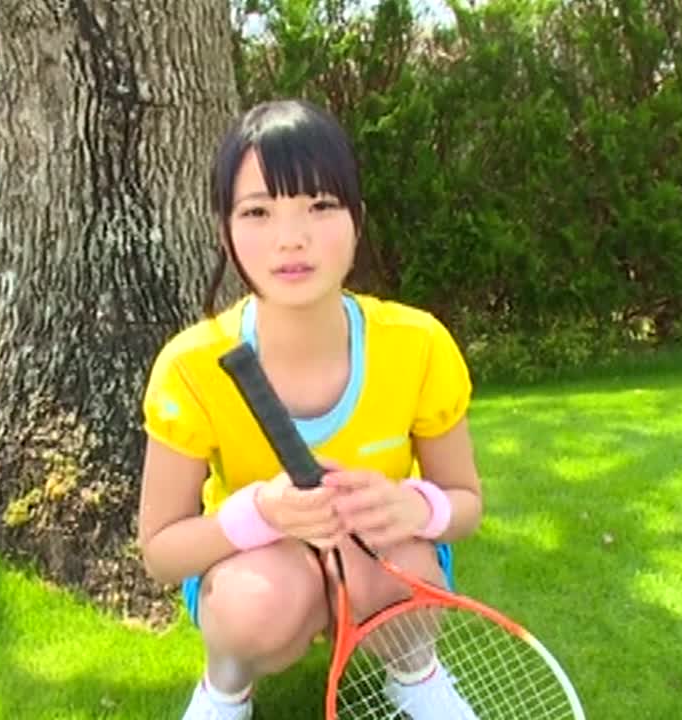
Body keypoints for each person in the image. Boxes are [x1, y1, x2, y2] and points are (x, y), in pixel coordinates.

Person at [137, 99, 484, 720]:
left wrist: (415, 506)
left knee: (407, 569)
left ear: (357, 220)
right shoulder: (190, 364)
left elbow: (466, 503)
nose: (290, 238)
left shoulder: (419, 343)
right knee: (257, 606)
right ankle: (225, 690)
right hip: (258, 568)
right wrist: (262, 514)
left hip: (382, 556)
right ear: (224, 231)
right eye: (258, 211)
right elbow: (162, 551)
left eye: (320, 205)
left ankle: (415, 674)